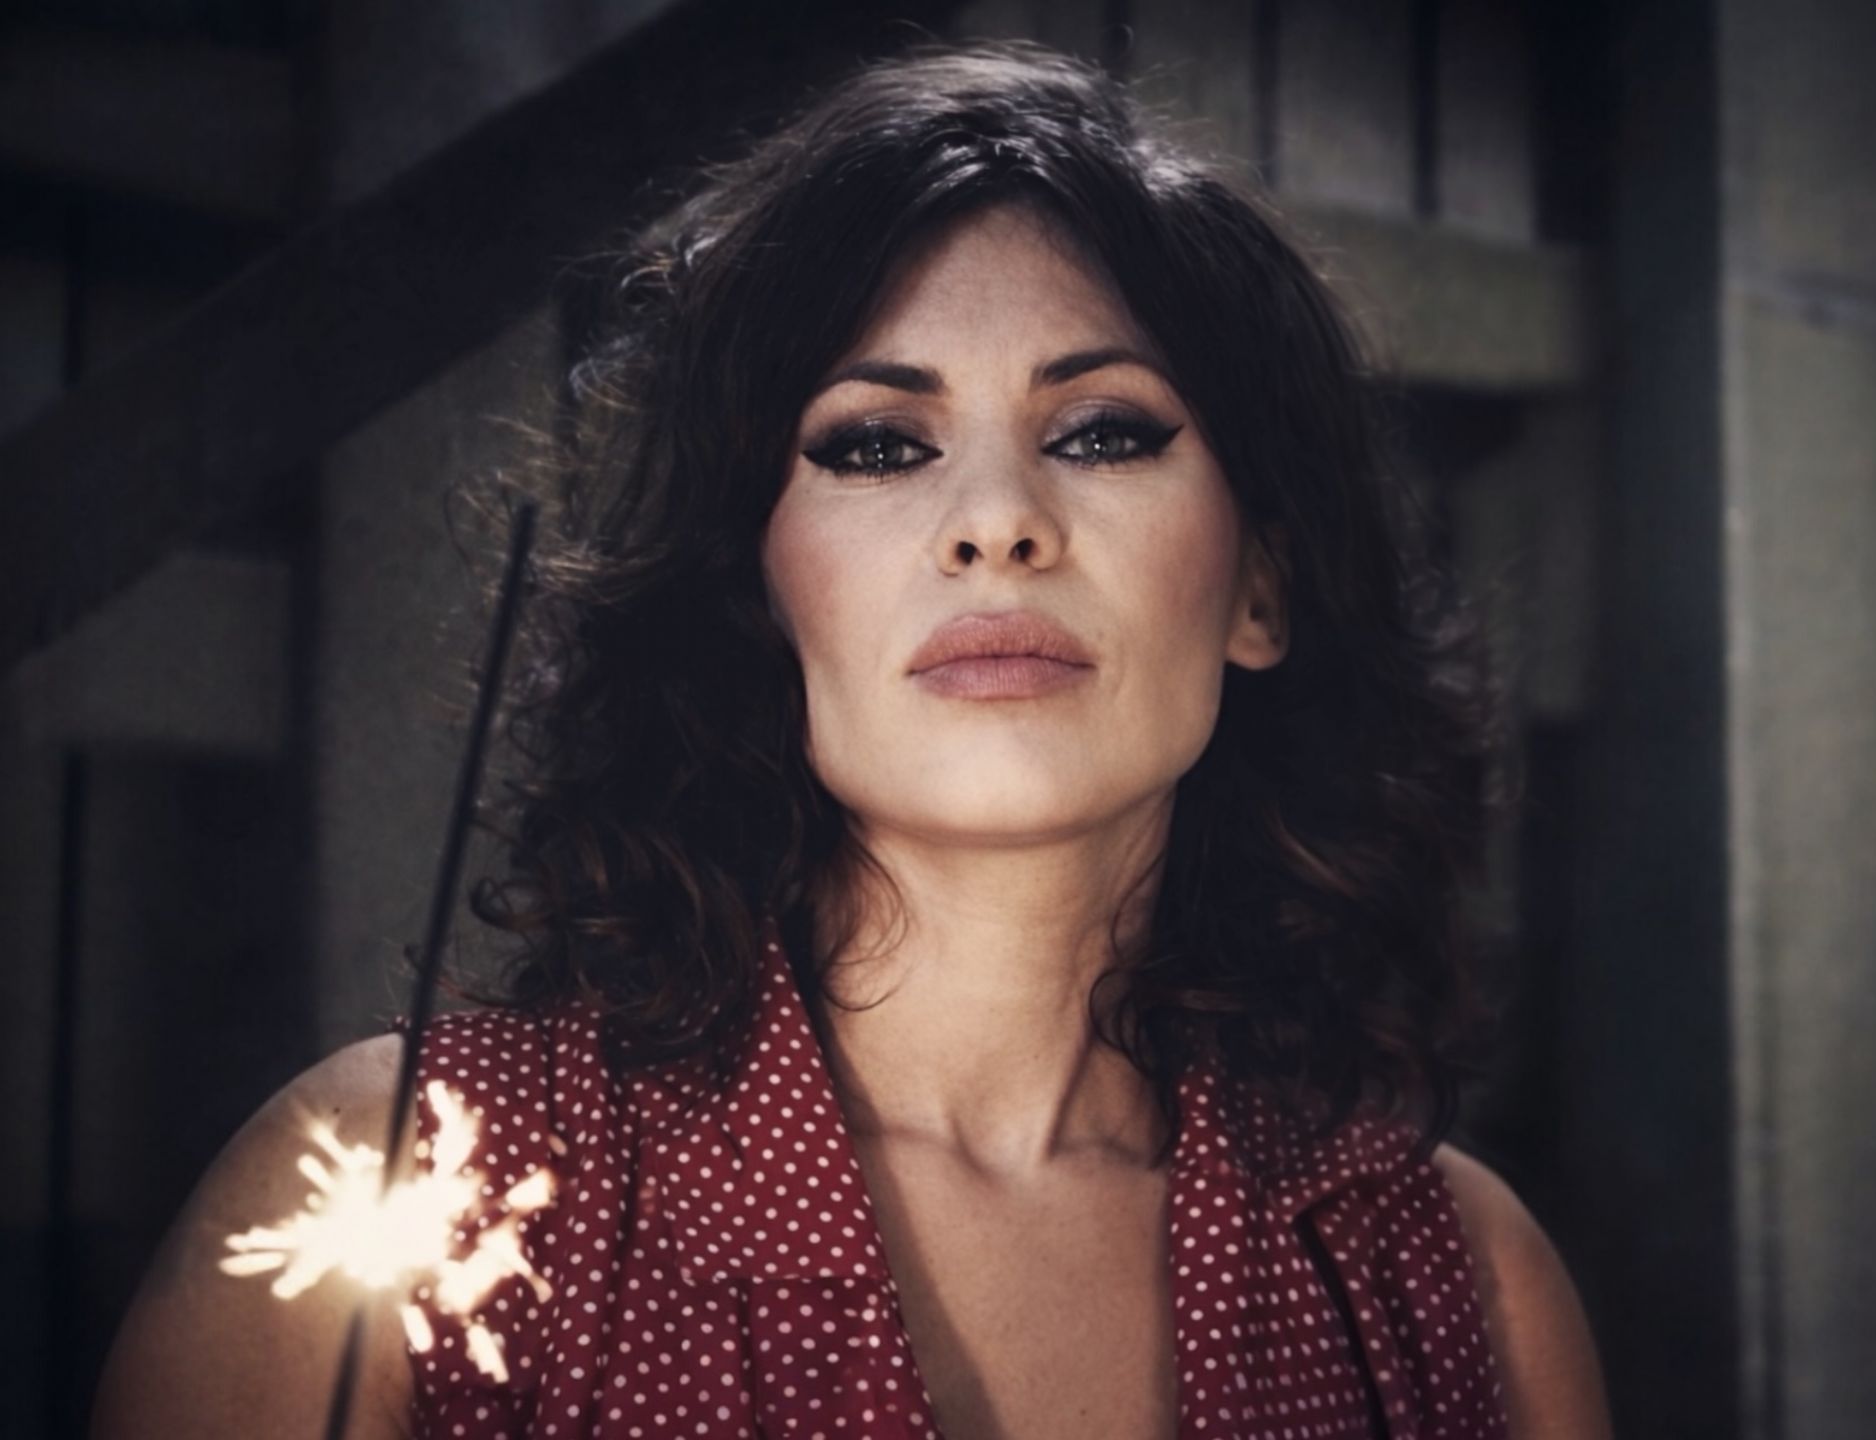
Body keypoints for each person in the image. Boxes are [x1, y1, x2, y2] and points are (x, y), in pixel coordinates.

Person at [93, 39, 1612, 1440]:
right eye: (878, 445)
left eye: (1102, 431)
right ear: (758, 588)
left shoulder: (1461, 1287)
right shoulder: (401, 1196)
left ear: (1260, 588)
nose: (998, 524)